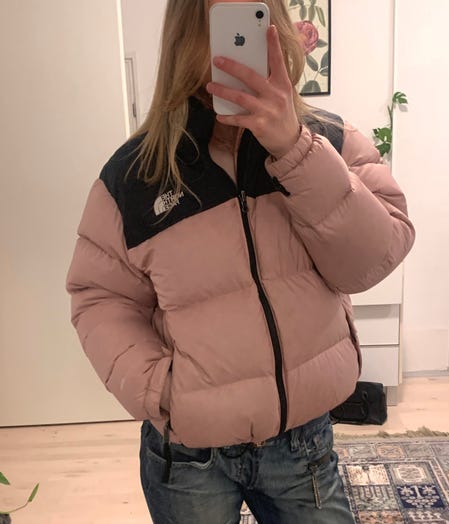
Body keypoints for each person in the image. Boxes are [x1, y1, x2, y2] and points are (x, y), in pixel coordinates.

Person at [66, 0, 415, 522]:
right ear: (186, 39)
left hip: (302, 441)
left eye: (253, 22)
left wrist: (294, 148)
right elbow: (100, 296)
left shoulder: (330, 142)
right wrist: (161, 391)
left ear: (278, 30)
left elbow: (372, 259)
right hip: (192, 457)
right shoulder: (135, 175)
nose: (234, 47)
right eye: (217, 28)